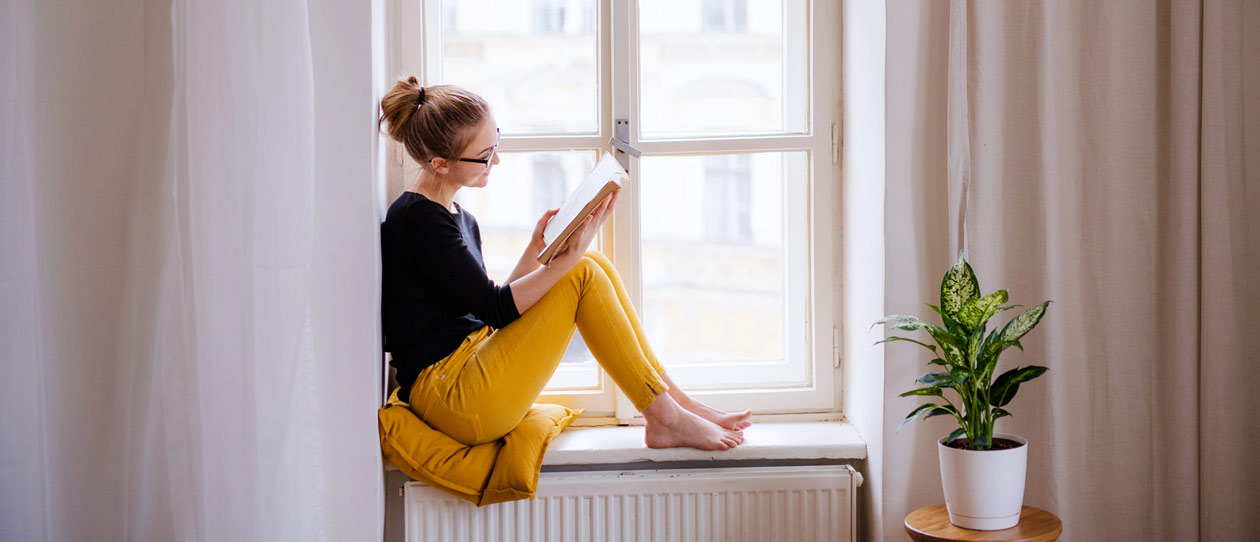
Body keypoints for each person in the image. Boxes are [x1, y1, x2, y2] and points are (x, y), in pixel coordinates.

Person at [378, 78, 750, 451]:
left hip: (465, 370)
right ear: (441, 164)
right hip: (452, 399)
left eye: (497, 143)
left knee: (592, 262)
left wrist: (536, 248)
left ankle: (678, 405)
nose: (497, 160)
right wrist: (563, 262)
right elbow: (495, 308)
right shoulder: (418, 219)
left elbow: (484, 311)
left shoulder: (455, 215)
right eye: (486, 154)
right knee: (581, 271)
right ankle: (666, 417)